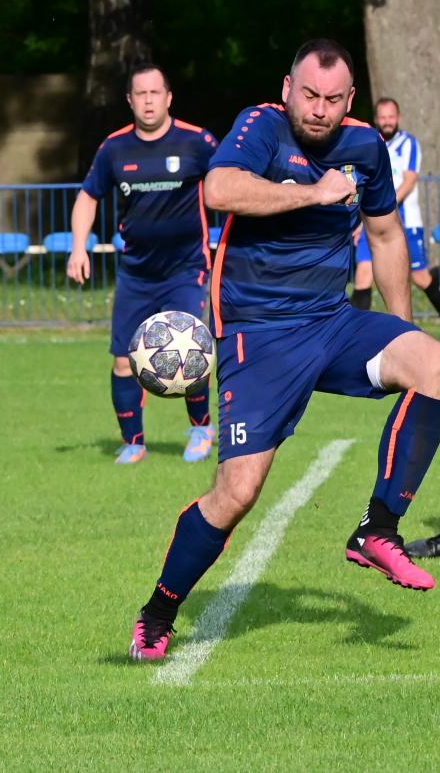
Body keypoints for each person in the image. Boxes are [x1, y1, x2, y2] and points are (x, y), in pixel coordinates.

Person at [128, 39, 440, 663]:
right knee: (236, 494)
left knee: (435, 367)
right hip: (258, 333)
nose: (319, 109)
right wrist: (313, 192)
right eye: (309, 95)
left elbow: (384, 236)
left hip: (330, 320)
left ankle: (377, 529)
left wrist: (401, 333)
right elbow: (220, 189)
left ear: (350, 100)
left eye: (332, 99)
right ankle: (158, 612)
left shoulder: (365, 147)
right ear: (287, 88)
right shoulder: (261, 127)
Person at [67, 64, 218, 465]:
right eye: (141, 94)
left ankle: (201, 429)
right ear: (130, 101)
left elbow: (230, 181)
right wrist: (78, 248)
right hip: (136, 272)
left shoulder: (197, 142)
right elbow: (88, 197)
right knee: (122, 360)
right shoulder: (114, 148)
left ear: (168, 98)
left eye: (155, 93)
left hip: (186, 268)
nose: (148, 101)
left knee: (189, 351)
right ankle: (133, 442)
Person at [351, 98, 440, 315]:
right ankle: (355, 334)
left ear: (398, 118)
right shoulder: (371, 144)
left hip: (405, 221)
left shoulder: (408, 144)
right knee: (363, 274)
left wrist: (383, 203)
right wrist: (360, 222)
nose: (387, 121)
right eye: (383, 117)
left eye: (391, 117)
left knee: (420, 277)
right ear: (376, 119)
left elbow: (409, 182)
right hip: (372, 222)